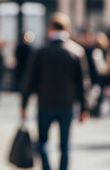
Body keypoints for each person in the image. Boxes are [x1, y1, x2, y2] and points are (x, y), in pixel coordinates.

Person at [21, 13, 90, 170]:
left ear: (50, 28)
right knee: (65, 144)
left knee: (42, 142)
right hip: (67, 103)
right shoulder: (76, 51)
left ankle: (46, 167)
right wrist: (85, 107)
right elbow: (83, 82)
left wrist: (24, 104)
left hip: (45, 103)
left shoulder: (41, 50)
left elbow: (29, 80)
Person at [90, 32, 110, 117]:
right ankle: (94, 112)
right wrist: (108, 61)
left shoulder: (97, 51)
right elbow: (102, 70)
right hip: (97, 79)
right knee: (97, 97)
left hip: (98, 79)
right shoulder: (97, 52)